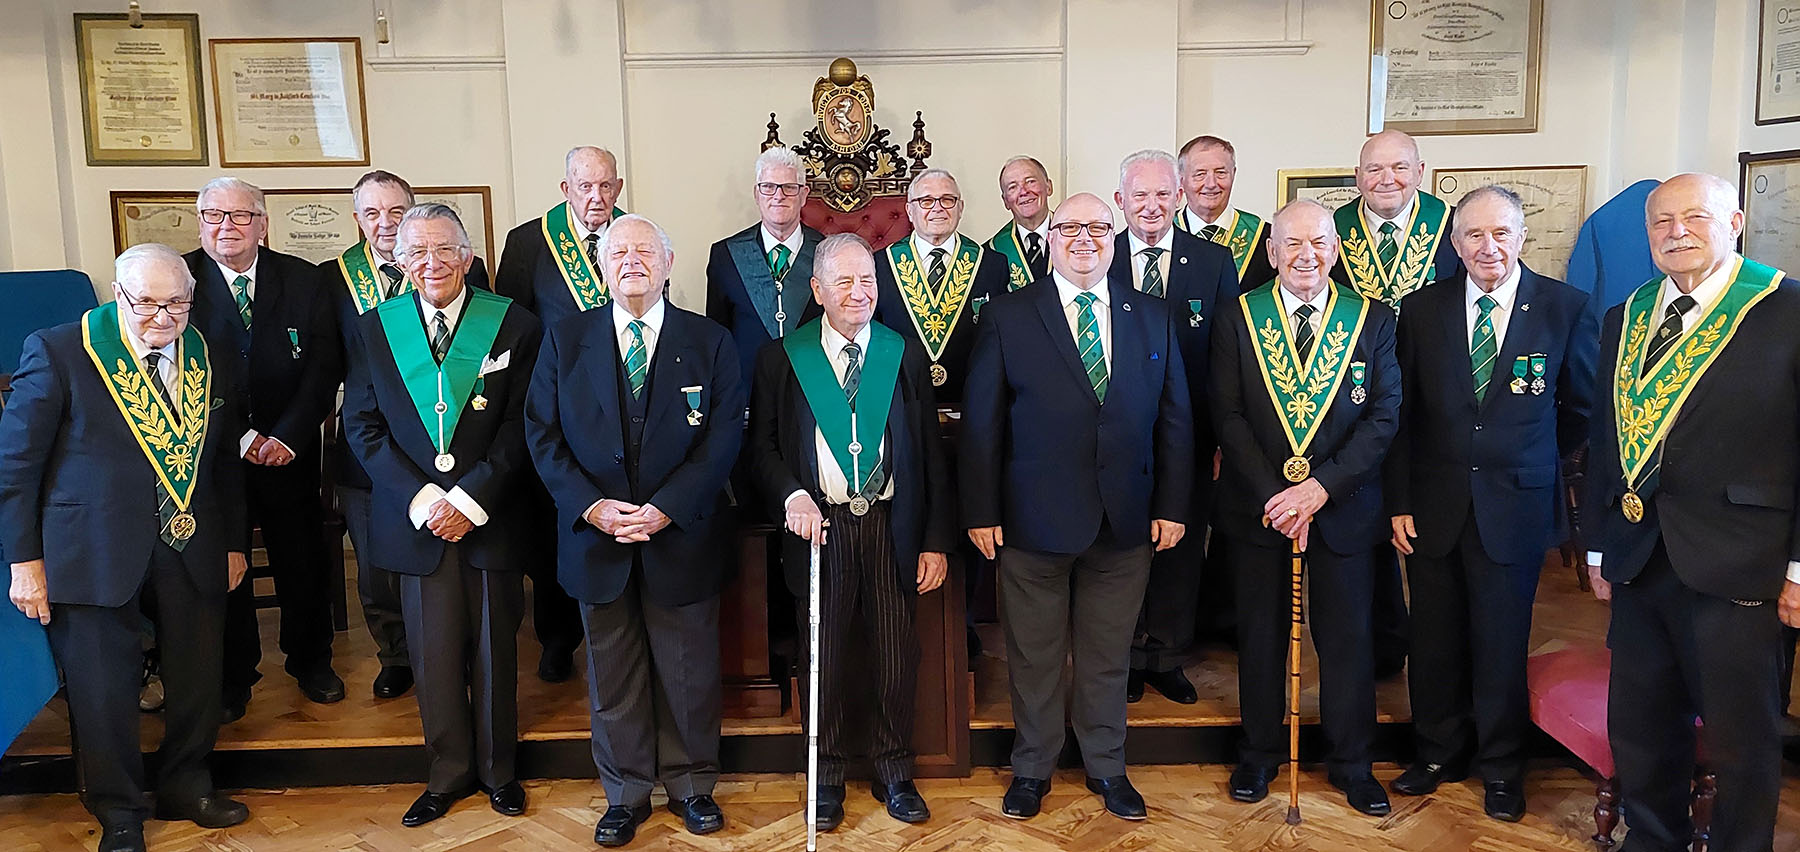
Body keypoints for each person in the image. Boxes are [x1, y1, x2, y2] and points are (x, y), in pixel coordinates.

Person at [0, 244, 251, 852]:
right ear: (119, 295)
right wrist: (24, 561)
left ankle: (186, 785)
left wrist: (234, 543)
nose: (164, 318)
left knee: (197, 678)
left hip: (192, 543)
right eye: (148, 305)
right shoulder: (61, 349)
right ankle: (118, 808)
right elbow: (15, 465)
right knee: (102, 687)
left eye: (178, 304)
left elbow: (223, 462)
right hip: (90, 547)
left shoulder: (207, 351)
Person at [1585, 173, 1800, 852]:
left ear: (1734, 221)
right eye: (1662, 222)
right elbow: (1605, 439)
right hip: (1640, 560)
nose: (1677, 232)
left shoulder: (1785, 307)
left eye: (1695, 217)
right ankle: (1653, 839)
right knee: (1643, 730)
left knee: (1742, 741)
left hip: (1745, 563)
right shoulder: (1628, 314)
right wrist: (1597, 547)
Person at [962, 193, 1193, 822]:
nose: (1084, 238)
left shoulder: (1151, 315)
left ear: (1114, 238)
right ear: (1051, 238)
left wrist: (1173, 504)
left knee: (1107, 655)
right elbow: (982, 425)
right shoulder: (1010, 315)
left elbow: (1175, 420)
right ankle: (1032, 767)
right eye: (1070, 227)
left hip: (1125, 522)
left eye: (1096, 228)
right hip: (1032, 522)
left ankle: (1106, 767)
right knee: (1033, 656)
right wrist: (981, 511)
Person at [525, 215, 744, 847]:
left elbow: (724, 437)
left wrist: (669, 507)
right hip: (598, 540)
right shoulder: (565, 341)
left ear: (669, 263)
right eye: (618, 251)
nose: (631, 261)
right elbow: (543, 435)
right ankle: (624, 793)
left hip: (683, 536)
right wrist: (592, 508)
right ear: (599, 264)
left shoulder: (711, 341)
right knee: (612, 674)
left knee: (688, 673)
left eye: (645, 251)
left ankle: (693, 786)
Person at [1386, 186, 1597, 821]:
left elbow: (1582, 409)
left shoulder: (1565, 307)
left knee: (1502, 643)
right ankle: (1435, 753)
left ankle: (1502, 768)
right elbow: (1402, 415)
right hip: (1433, 506)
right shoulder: (1421, 310)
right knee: (1434, 640)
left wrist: (1526, 456)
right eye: (1473, 235)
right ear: (1454, 243)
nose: (1488, 247)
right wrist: (1398, 499)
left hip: (1516, 505)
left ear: (1521, 236)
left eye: (1500, 233)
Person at [344, 204, 540, 827]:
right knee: (431, 656)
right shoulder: (376, 328)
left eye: (445, 251)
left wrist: (471, 498)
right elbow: (363, 426)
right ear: (400, 262)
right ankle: (448, 773)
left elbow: (523, 425)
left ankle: (499, 772)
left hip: (492, 514)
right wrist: (426, 499)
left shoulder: (514, 325)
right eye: (417, 254)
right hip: (417, 519)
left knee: (494, 651)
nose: (432, 264)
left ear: (468, 255)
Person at [750, 233, 954, 831]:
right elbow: (758, 447)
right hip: (821, 532)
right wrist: (790, 493)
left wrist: (935, 538)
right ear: (817, 290)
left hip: (893, 526)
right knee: (826, 658)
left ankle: (896, 771)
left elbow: (929, 456)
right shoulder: (782, 358)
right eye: (844, 282)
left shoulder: (902, 353)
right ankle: (828, 777)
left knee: (897, 656)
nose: (859, 292)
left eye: (867, 280)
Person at [1210, 198, 1400, 817]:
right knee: (1261, 637)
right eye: (1292, 243)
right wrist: (1276, 493)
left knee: (1348, 639)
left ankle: (1352, 763)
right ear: (1271, 252)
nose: (1306, 255)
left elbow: (1382, 416)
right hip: (1260, 507)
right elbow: (1229, 415)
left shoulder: (1370, 319)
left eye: (1319, 242)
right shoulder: (1240, 315)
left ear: (1336, 248)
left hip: (1343, 507)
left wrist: (1319, 489)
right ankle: (1260, 754)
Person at [183, 177, 344, 719]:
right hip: (209, 453)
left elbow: (325, 365)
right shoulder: (177, 280)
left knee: (301, 558)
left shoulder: (304, 279)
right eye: (214, 216)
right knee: (224, 564)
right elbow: (175, 371)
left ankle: (310, 661)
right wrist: (243, 437)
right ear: (201, 221)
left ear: (263, 223)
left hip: (289, 449)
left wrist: (289, 436)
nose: (226, 226)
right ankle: (234, 676)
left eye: (240, 216)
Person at [321, 169, 476, 701]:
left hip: (446, 452)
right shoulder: (332, 280)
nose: (384, 224)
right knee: (378, 569)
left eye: (395, 212)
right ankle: (395, 656)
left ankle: (456, 654)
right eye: (372, 213)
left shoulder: (454, 271)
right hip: (371, 454)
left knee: (449, 567)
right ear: (358, 220)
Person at [1331, 128, 1462, 680]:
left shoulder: (1453, 227)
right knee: (1364, 517)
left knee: (1427, 518)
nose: (1387, 179)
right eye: (1374, 170)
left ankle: (1438, 648)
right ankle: (1382, 640)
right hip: (1355, 397)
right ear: (1357, 176)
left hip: (1434, 394)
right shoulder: (1332, 231)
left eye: (1399, 168)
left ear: (1421, 170)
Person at [1108, 149, 1237, 704]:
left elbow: (1231, 355)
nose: (1152, 205)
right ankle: (1126, 654)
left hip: (1193, 435)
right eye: (1141, 195)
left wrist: (1223, 440)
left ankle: (1166, 655)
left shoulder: (1213, 261)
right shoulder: (1095, 253)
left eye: (1163, 194)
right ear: (1121, 202)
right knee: (1123, 545)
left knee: (1181, 545)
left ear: (1179, 197)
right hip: (1119, 437)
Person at [494, 147, 624, 680]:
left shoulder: (634, 235)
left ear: (617, 188)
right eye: (584, 186)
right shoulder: (528, 243)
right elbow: (512, 333)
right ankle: (557, 636)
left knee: (614, 516)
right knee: (556, 524)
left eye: (605, 187)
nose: (595, 197)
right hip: (555, 409)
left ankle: (612, 631)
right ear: (565, 187)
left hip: (622, 409)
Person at [872, 167, 1010, 403]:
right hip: (901, 402)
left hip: (971, 404)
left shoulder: (991, 264)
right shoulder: (879, 265)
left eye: (947, 199)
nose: (938, 208)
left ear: (960, 208)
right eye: (926, 201)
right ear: (909, 210)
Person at [704, 145, 826, 390]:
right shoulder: (725, 256)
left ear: (804, 195)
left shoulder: (828, 253)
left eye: (789, 187)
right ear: (757, 194)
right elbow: (718, 336)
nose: (778, 196)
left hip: (815, 392)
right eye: (768, 187)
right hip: (748, 395)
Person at [1175, 135, 1275, 290]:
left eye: (1221, 173)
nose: (1211, 184)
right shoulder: (1162, 235)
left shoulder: (1266, 238)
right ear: (1181, 180)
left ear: (1233, 174)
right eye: (1200, 174)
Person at [988, 155, 1056, 291]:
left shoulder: (1077, 239)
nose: (1024, 191)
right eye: (1013, 187)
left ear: (1049, 187)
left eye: (1030, 181)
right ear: (1005, 201)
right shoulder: (991, 253)